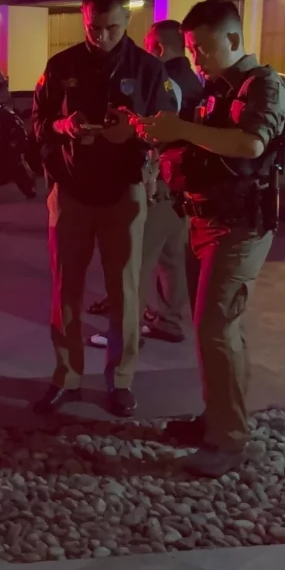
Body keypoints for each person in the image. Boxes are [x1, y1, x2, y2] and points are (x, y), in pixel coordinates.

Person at [134, 0, 285, 477]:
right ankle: (219, 419)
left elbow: (250, 143)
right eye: (190, 49)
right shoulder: (217, 88)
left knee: (216, 330)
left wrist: (181, 128)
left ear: (233, 39)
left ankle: (228, 439)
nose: (195, 58)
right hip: (203, 221)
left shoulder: (263, 86)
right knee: (221, 333)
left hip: (238, 227)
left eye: (201, 48)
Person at [31, 0, 178, 417]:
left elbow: (167, 130)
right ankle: (67, 376)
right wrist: (64, 126)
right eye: (94, 28)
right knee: (66, 291)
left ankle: (122, 379)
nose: (102, 36)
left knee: (125, 293)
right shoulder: (61, 66)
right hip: (71, 190)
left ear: (128, 19)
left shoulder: (148, 70)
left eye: (112, 27)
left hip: (124, 192)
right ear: (84, 18)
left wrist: (132, 130)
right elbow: (38, 123)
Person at [88, 20, 203, 346]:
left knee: (134, 258)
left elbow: (154, 133)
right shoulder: (193, 81)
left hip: (160, 180)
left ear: (158, 47)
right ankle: (168, 320)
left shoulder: (165, 82)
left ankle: (125, 332)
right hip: (183, 181)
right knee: (171, 256)